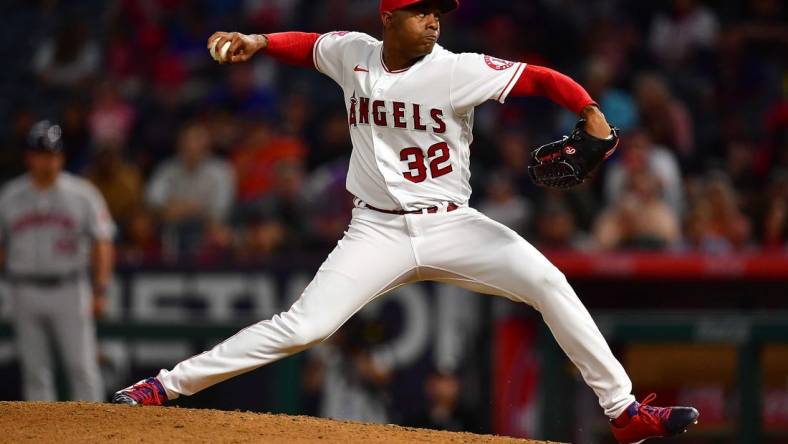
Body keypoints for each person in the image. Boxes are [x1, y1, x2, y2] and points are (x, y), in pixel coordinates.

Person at [112, 1, 699, 442]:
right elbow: (309, 44)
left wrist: (592, 115)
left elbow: (544, 79)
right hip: (376, 231)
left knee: (549, 282)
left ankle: (622, 411)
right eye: (422, 13)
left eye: (439, 12)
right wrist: (259, 39)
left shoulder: (457, 69)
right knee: (302, 328)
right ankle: (165, 386)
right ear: (390, 18)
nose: (435, 22)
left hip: (454, 225)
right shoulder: (354, 53)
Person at [0, 120, 115, 401]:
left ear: (61, 156)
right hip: (23, 287)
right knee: (35, 371)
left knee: (81, 367)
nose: (48, 161)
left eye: (53, 154)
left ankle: (94, 435)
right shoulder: (10, 196)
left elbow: (102, 241)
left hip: (70, 287)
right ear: (29, 157)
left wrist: (100, 289)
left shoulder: (82, 194)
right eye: (42, 154)